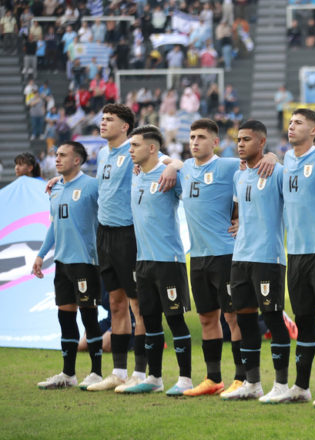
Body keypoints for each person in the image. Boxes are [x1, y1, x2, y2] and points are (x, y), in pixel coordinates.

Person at [81, 104, 180, 393]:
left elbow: (171, 161)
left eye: (109, 119)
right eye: (102, 118)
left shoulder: (136, 149)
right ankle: (119, 372)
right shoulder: (101, 154)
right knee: (115, 304)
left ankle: (142, 372)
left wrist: (173, 166)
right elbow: (101, 188)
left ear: (125, 126)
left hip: (128, 235)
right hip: (105, 234)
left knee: (138, 306)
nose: (102, 122)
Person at [274, 108, 315, 405]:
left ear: (314, 131)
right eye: (290, 122)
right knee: (303, 321)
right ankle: (301, 387)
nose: (291, 126)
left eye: (299, 123)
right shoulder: (286, 159)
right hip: (296, 253)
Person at [221, 120, 291, 402]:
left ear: (261, 143)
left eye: (247, 139)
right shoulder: (239, 176)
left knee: (273, 320)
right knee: (245, 321)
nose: (240, 144)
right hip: (241, 257)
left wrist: (277, 157)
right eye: (238, 139)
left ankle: (282, 385)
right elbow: (240, 212)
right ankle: (252, 383)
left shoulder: (277, 172)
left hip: (268, 258)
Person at [121, 125, 192, 395]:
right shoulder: (136, 174)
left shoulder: (169, 175)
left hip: (168, 260)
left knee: (174, 319)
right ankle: (154, 378)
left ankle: (185, 379)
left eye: (135, 145)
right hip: (143, 261)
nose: (130, 151)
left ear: (152, 148)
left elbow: (191, 174)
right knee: (149, 320)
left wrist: (174, 165)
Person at [179, 119, 245, 397]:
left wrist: (243, 218)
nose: (195, 142)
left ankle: (243, 378)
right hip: (198, 256)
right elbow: (159, 158)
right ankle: (213, 378)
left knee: (234, 317)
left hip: (225, 254)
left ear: (215, 142)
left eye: (201, 137)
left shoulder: (228, 166)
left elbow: (263, 164)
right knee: (207, 317)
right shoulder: (182, 168)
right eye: (192, 137)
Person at [33, 141, 104, 390]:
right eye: (56, 155)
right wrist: (42, 254)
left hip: (86, 261)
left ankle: (96, 372)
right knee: (65, 317)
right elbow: (54, 224)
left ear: (77, 160)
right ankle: (68, 374)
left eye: (63, 155)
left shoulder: (93, 186)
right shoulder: (55, 188)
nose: (57, 159)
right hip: (62, 263)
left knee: (89, 316)